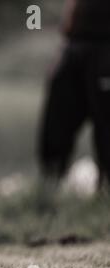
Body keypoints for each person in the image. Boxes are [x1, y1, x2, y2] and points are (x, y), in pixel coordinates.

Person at [38, 0, 110, 190]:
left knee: (106, 125)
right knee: (57, 119)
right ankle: (50, 184)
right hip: (76, 42)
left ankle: (105, 190)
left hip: (105, 45)